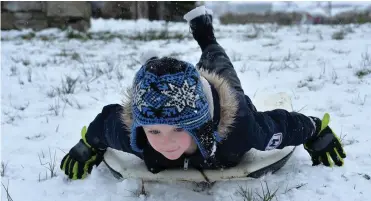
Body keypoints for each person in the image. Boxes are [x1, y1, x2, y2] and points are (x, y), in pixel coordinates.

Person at [60, 6, 346, 180]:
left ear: (200, 125)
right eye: (155, 132)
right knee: (170, 87)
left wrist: (315, 130)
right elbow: (107, 124)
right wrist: (89, 144)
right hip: (183, 96)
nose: (166, 144)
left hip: (223, 99)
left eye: (178, 130)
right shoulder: (134, 137)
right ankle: (169, 69)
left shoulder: (242, 130)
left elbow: (283, 126)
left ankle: (205, 35)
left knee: (218, 63)